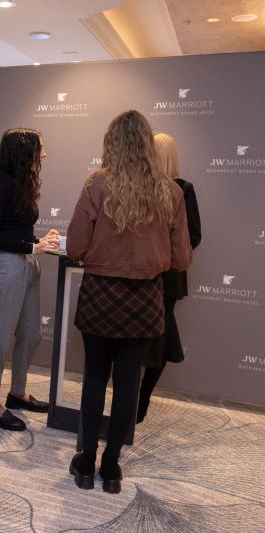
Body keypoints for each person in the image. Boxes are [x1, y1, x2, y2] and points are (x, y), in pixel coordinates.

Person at [66, 110, 191, 494]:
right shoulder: (171, 192)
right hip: (144, 300)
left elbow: (75, 247)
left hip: (100, 295)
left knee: (94, 377)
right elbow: (182, 259)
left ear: (111, 144)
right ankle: (112, 468)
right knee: (127, 384)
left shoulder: (96, 184)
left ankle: (85, 462)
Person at [0, 128, 59, 432]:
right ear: (24, 152)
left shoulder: (22, 183)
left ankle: (17, 393)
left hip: (26, 263)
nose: (45, 154)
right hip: (8, 266)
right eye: (41, 148)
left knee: (31, 334)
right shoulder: (2, 183)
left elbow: (16, 229)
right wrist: (31, 247)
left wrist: (39, 241)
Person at [137, 132, 201, 423]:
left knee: (160, 341)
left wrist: (162, 253)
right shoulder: (137, 187)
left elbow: (194, 235)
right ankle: (133, 399)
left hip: (168, 279)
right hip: (139, 275)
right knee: (139, 339)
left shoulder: (183, 189)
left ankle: (142, 399)